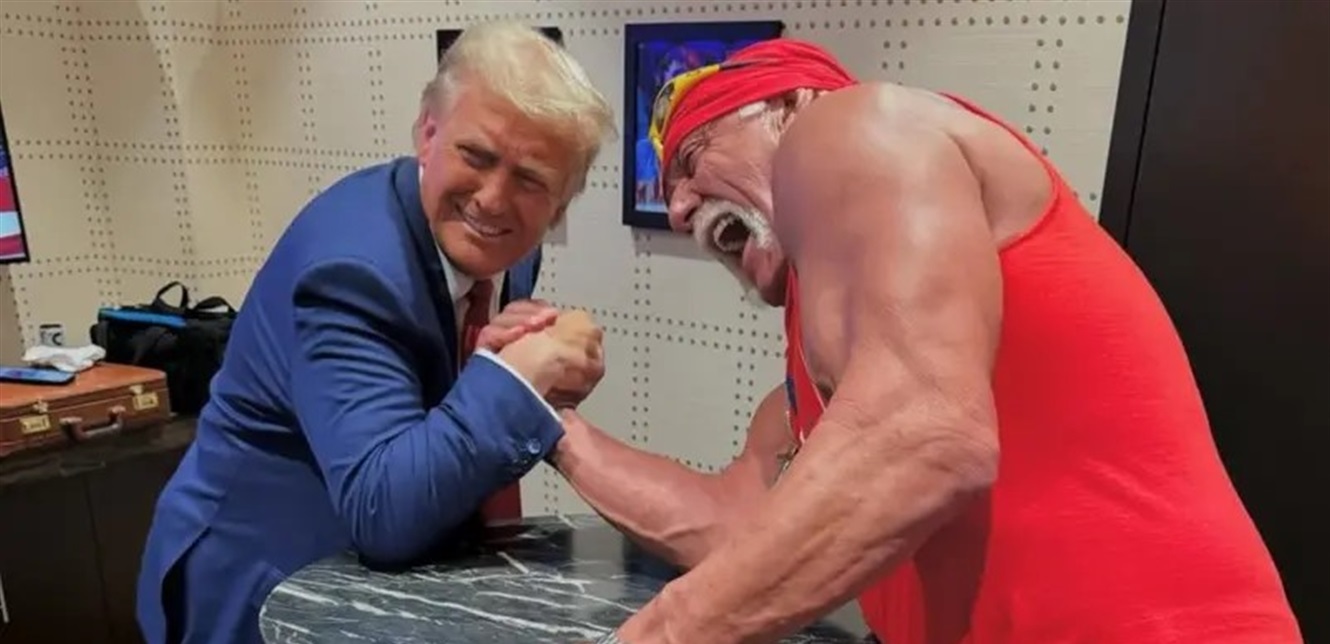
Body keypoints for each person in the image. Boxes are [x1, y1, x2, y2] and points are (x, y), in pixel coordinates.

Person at [549, 39, 1303, 643]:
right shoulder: (825, 369)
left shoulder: (844, 127)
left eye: (693, 159)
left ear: (789, 104)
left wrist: (660, 634)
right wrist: (541, 419)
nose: (680, 210)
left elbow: (923, 438)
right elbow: (739, 531)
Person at [135, 21, 615, 644]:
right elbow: (382, 510)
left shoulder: (505, 248)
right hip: (260, 581)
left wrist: (512, 373)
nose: (493, 200)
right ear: (427, 133)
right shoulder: (351, 271)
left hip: (384, 576)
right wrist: (515, 381)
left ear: (561, 204)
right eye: (476, 156)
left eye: (530, 180)